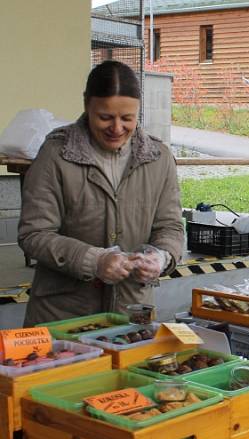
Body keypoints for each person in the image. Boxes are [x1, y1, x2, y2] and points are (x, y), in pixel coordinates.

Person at [18, 60, 184, 326]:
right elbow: (34, 234)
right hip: (63, 316)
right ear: (87, 105)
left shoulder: (158, 158)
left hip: (131, 313)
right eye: (105, 117)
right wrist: (93, 260)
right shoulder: (56, 155)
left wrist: (161, 256)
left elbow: (171, 227)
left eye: (127, 118)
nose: (117, 128)